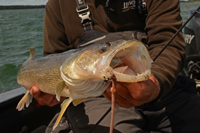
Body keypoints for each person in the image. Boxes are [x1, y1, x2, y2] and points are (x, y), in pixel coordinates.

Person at [30, 0, 200, 133]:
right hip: (93, 95)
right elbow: (53, 60)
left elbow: (168, 41)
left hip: (160, 85)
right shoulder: (58, 5)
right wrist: (52, 91)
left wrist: (155, 84)